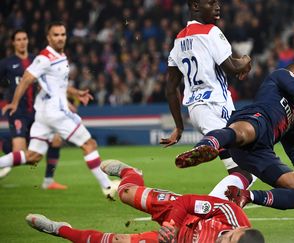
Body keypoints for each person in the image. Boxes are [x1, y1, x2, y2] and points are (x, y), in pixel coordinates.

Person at [176, 63, 294, 211]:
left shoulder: (291, 122)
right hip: (255, 119)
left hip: (260, 155)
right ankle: (205, 147)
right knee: (245, 132)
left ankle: (246, 196)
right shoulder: (281, 75)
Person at [0, 22, 117, 197]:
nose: (60, 38)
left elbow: (58, 85)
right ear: (49, 37)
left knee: (33, 156)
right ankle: (108, 187)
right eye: (56, 35)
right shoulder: (44, 58)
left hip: (44, 113)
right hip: (55, 113)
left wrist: (76, 93)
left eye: (62, 34)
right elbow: (26, 78)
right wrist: (15, 102)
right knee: (89, 144)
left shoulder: (59, 56)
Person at [26, 159, 265, 243]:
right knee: (125, 192)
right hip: (180, 211)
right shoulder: (231, 214)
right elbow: (189, 202)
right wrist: (171, 225)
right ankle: (132, 173)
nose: (224, 239)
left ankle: (60, 230)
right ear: (241, 228)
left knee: (119, 241)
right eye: (230, 236)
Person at [161, 0, 254, 200]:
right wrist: (246, 59)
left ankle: (223, 209)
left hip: (197, 109)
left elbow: (171, 89)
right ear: (195, 6)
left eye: (218, 2)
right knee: (247, 169)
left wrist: (180, 127)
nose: (217, 6)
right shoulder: (211, 32)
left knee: (243, 173)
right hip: (215, 107)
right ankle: (205, 208)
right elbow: (232, 67)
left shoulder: (178, 41)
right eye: (211, 3)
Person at [0, 29, 66, 190]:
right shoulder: (6, 64)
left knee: (57, 139)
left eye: (25, 38)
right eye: (18, 39)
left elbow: (50, 83)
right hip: (18, 113)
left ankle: (49, 181)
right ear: (13, 43)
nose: (22, 42)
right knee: (26, 156)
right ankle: (5, 144)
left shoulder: (37, 60)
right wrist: (5, 104)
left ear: (28, 41)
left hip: (38, 112)